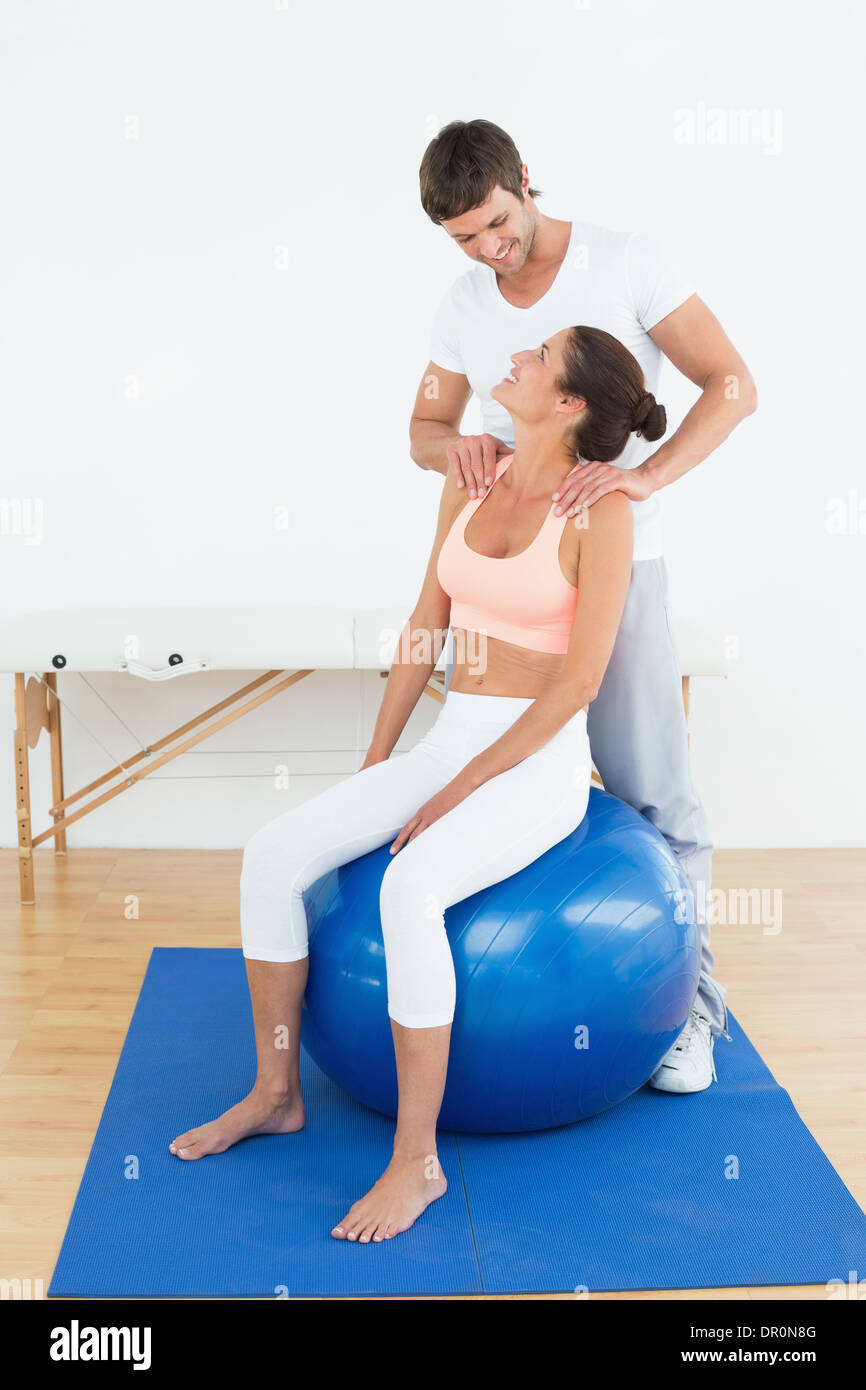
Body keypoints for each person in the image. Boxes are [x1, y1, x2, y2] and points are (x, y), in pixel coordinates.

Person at [170, 323, 655, 1244]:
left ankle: (416, 1159)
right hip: (447, 740)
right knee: (274, 855)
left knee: (413, 888)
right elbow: (424, 629)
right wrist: (380, 764)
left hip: (536, 761)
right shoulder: (468, 479)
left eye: (538, 357)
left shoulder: (602, 513)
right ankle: (276, 1093)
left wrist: (463, 787)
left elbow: (579, 683)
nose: (515, 357)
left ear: (569, 404)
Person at [411, 119, 759, 1091]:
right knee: (495, 784)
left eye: (495, 225)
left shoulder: (627, 262)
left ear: (524, 180)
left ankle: (692, 1011)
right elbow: (424, 425)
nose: (488, 251)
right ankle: (524, 993)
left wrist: (648, 479)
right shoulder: (461, 304)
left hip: (611, 567)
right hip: (501, 585)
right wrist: (455, 450)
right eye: (464, 241)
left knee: (651, 788)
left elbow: (731, 383)